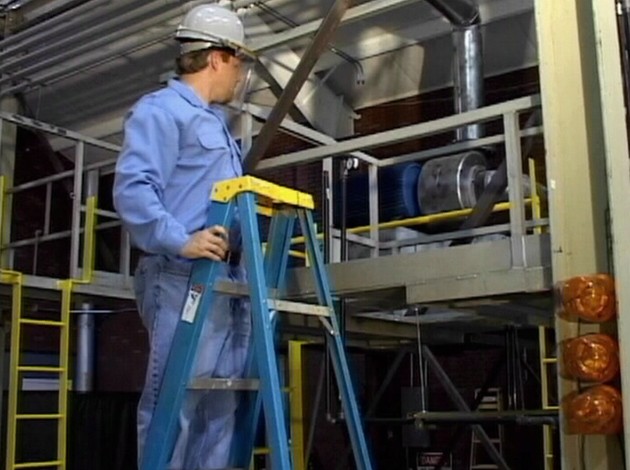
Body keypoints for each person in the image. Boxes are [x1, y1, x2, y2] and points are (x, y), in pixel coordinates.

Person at [112, 4, 255, 469]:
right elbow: (133, 189)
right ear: (217, 57)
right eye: (240, 61)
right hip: (182, 277)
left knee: (220, 408)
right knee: (176, 406)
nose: (242, 74)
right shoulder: (161, 111)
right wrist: (180, 239)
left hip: (226, 282)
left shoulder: (215, 123)